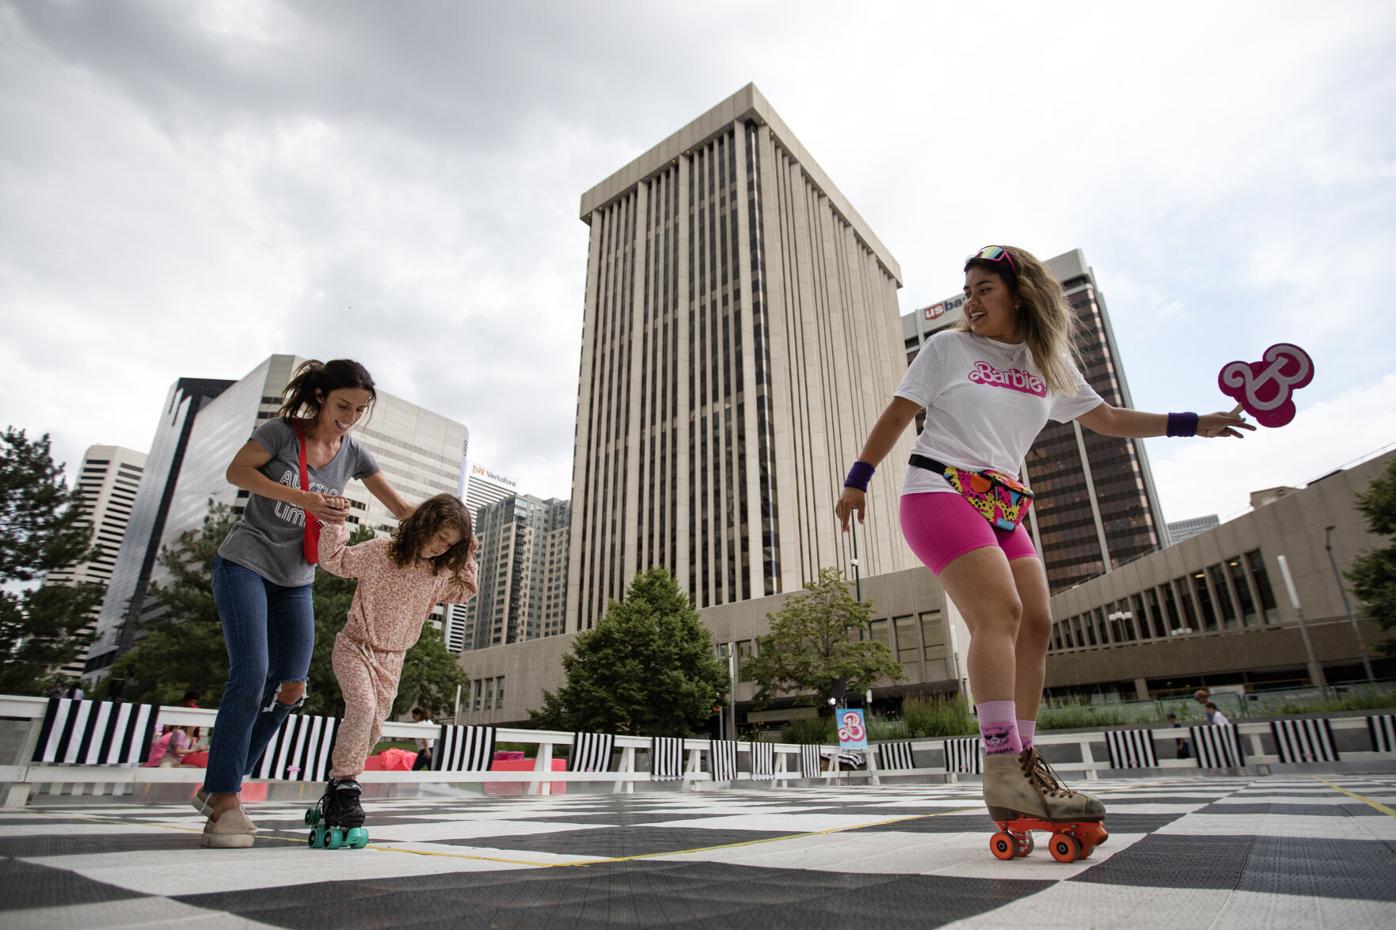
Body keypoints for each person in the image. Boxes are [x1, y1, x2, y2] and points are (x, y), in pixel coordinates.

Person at [835, 245, 1253, 828]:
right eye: (969, 291)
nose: (972, 301)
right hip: (939, 489)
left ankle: (1024, 765)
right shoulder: (947, 348)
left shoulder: (1046, 366)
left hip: (1002, 501)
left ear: (1019, 293)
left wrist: (1190, 423)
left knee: (1037, 621)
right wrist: (858, 480)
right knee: (999, 613)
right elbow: (899, 413)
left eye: (985, 289)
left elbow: (1106, 419)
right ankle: (1001, 761)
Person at [197, 359, 414, 849]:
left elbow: (401, 509)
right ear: (319, 396)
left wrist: (454, 530)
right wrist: (303, 496)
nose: (349, 417)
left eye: (359, 410)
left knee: (292, 687)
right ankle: (227, 801)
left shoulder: (351, 451)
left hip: (297, 578)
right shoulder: (279, 432)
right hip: (245, 562)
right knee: (252, 675)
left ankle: (218, 786)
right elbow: (238, 471)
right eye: (342, 406)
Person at [310, 494, 479, 846]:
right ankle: (345, 784)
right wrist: (337, 523)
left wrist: (469, 554)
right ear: (422, 524)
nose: (438, 547)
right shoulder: (381, 551)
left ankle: (338, 787)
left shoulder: (438, 573)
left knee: (373, 723)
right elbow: (336, 561)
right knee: (363, 708)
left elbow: (465, 591)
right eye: (437, 536)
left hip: (394, 659)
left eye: (448, 544)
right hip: (355, 645)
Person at [410, 706, 436, 771]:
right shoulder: (429, 722)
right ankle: (435, 781)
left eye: (414, 716)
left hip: (425, 749)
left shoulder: (420, 723)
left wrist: (426, 750)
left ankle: (414, 781)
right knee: (432, 770)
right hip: (433, 748)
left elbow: (425, 737)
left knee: (415, 769)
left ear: (419, 715)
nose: (414, 719)